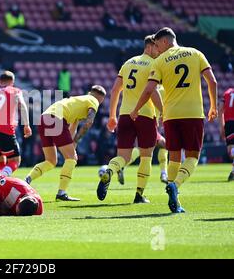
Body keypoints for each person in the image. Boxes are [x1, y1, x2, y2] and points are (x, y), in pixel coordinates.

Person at [130, 27, 218, 213]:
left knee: (174, 157)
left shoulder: (160, 61)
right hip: (193, 113)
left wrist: (136, 109)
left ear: (164, 41)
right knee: (193, 156)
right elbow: (212, 81)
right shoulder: (195, 53)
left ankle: (174, 200)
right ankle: (175, 185)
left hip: (170, 116)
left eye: (157, 45)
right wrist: (213, 106)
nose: (157, 49)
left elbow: (148, 90)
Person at [97, 35, 163, 204]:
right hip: (145, 115)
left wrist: (112, 116)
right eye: (156, 47)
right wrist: (163, 111)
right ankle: (139, 195)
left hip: (125, 115)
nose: (158, 51)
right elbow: (152, 92)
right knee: (146, 156)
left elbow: (114, 90)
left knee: (123, 157)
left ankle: (109, 170)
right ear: (149, 47)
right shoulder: (153, 64)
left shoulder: (127, 63)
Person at [25, 85, 106, 201]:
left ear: (89, 92)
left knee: (51, 161)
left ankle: (27, 179)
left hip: (44, 118)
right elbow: (89, 122)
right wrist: (75, 142)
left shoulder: (78, 100)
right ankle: (61, 193)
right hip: (57, 119)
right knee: (72, 159)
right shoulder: (94, 100)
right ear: (101, 99)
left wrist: (73, 143)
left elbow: (73, 127)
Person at [0, 71, 32, 176]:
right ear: (12, 81)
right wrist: (26, 124)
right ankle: (0, 180)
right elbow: (22, 106)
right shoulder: (15, 91)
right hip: (5, 129)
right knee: (15, 160)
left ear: (0, 82)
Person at [219, 88, 234, 181]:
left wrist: (222, 127)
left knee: (231, 151)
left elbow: (220, 110)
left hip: (229, 123)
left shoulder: (227, 93)